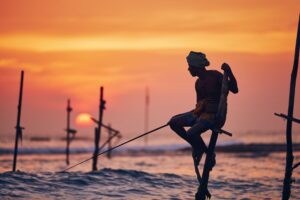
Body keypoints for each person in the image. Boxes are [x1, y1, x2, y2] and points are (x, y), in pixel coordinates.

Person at [169, 51, 238, 168]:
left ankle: (208, 154)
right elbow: (199, 105)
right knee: (173, 122)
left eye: (190, 66)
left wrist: (229, 72)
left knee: (191, 133)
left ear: (197, 67)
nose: (188, 69)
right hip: (201, 115)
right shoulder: (198, 83)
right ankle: (198, 147)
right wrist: (187, 114)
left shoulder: (215, 76)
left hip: (215, 116)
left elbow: (235, 89)